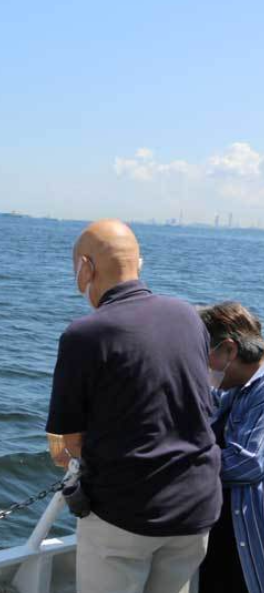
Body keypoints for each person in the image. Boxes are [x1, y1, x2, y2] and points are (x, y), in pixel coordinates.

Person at [46, 219, 221, 593]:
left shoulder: (84, 335)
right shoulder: (188, 316)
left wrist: (73, 460)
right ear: (139, 264)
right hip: (195, 505)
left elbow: (67, 442)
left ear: (85, 268)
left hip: (126, 511)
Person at [198, 302, 264, 593]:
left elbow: (247, 463)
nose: (202, 367)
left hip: (249, 533)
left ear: (229, 350)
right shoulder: (234, 387)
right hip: (223, 528)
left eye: (204, 356)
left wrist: (178, 467)